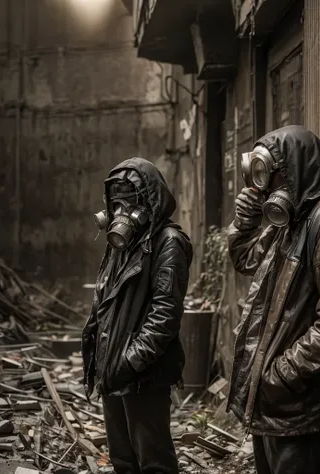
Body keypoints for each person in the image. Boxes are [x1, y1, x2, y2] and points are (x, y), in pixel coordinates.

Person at [227, 126, 320, 474]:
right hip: (275, 402)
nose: (267, 189)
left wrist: (283, 375)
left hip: (301, 403)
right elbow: (246, 260)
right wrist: (246, 221)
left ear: (294, 172)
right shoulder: (291, 219)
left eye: (271, 178)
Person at [81, 157, 192, 474]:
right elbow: (105, 301)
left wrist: (130, 362)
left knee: (153, 462)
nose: (121, 211)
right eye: (115, 202)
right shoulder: (121, 242)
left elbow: (165, 315)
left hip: (143, 376)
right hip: (114, 371)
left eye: (130, 200)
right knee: (123, 461)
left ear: (150, 201)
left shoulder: (168, 242)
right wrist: (102, 360)